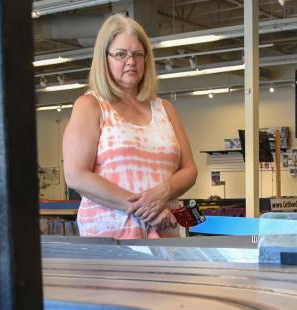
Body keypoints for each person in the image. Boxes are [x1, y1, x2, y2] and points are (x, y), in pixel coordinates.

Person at [63, 14, 197, 238]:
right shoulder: (90, 106)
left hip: (166, 231)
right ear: (104, 59)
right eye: (120, 54)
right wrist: (147, 209)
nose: (130, 61)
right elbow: (76, 174)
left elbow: (190, 170)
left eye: (137, 54)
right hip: (112, 238)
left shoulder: (165, 109)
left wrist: (162, 193)